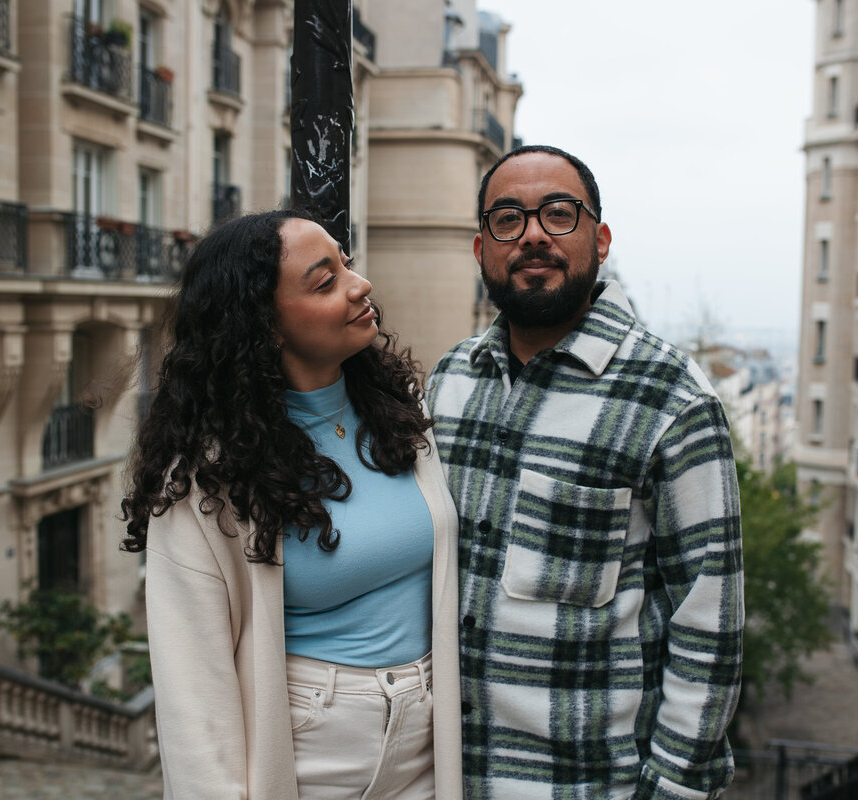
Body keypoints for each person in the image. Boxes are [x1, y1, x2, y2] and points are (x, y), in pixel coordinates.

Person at [427, 146, 744, 800]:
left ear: (599, 239)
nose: (534, 234)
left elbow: (709, 626)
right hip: (450, 780)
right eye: (508, 218)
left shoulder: (671, 398)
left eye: (559, 214)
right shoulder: (449, 381)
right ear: (481, 248)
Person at [121, 209, 462, 799]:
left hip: (428, 740)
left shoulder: (403, 414)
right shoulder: (208, 477)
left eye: (347, 265)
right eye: (324, 280)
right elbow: (193, 693)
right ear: (265, 325)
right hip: (309, 750)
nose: (360, 285)